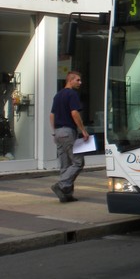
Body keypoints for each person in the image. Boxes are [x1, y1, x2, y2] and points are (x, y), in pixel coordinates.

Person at [50, 70, 90, 203]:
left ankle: (66, 195)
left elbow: (52, 115)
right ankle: (61, 185)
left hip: (58, 132)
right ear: (70, 80)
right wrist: (83, 130)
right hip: (68, 131)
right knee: (78, 162)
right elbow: (74, 113)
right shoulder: (72, 94)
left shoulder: (58, 95)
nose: (80, 82)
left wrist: (54, 131)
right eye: (77, 80)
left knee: (65, 165)